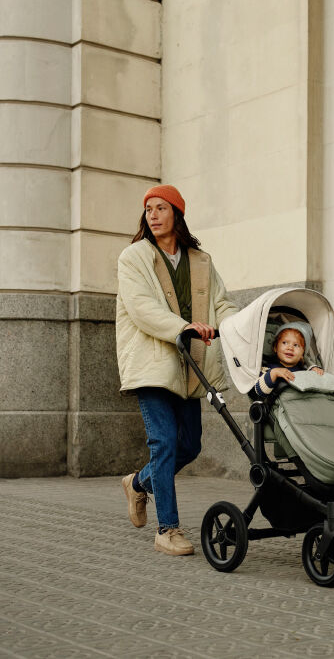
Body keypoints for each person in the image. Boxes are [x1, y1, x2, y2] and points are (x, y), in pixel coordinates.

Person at [116, 184, 238, 556]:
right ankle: (167, 529)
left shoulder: (201, 261)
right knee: (165, 442)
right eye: (148, 209)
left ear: (177, 214)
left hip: (190, 364)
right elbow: (140, 306)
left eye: (161, 208)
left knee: (189, 445)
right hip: (152, 361)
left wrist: (236, 327)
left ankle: (138, 483)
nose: (152, 215)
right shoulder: (134, 256)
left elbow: (221, 303)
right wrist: (181, 327)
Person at [254, 321, 324, 397]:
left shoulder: (303, 370)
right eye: (285, 343)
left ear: (302, 354)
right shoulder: (268, 369)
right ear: (275, 348)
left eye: (296, 345)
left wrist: (314, 371)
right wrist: (274, 373)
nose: (290, 348)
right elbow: (259, 391)